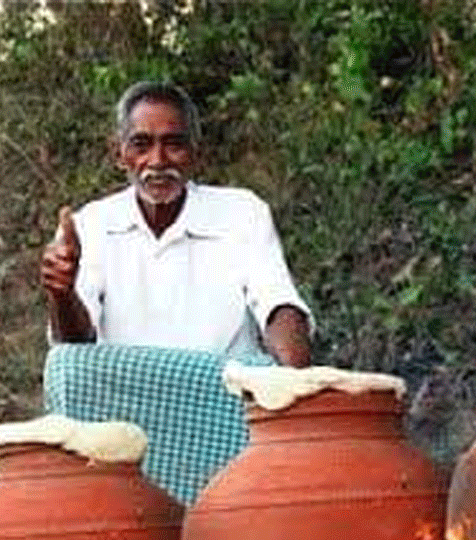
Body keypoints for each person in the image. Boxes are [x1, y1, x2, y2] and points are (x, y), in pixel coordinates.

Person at [39, 80, 313, 367]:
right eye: (141, 145)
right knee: (63, 365)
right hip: (123, 401)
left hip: (225, 396)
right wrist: (62, 293)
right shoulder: (90, 226)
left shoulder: (242, 214)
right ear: (119, 154)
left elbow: (278, 303)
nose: (157, 161)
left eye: (174, 145)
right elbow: (75, 347)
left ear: (196, 153)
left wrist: (296, 381)